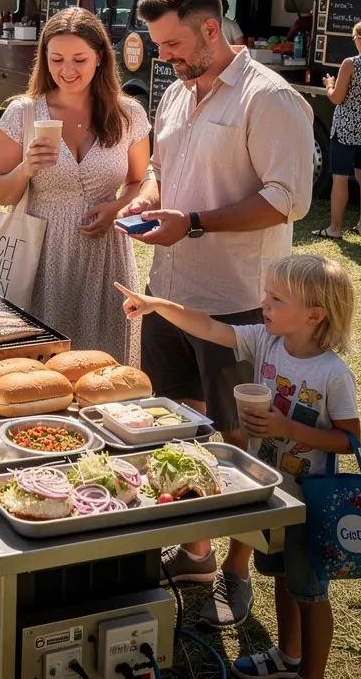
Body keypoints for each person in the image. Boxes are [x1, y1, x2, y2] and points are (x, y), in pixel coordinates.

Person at [117, 0, 313, 628]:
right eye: (158, 45)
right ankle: (197, 552)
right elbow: (164, 174)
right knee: (177, 426)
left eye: (173, 44)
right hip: (169, 290)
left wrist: (195, 223)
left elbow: (288, 199)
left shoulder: (270, 97)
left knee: (239, 440)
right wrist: (148, 203)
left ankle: (237, 572)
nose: (164, 56)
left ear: (211, 29)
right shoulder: (176, 92)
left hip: (240, 305)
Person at [116, 254, 358, 679]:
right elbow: (209, 327)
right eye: (267, 294)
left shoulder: (332, 373)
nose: (264, 304)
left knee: (311, 595)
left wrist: (286, 427)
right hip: (275, 492)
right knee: (281, 575)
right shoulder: (264, 341)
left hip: (310, 501)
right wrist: (157, 306)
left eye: (276, 299)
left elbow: (351, 438)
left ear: (314, 315)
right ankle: (288, 656)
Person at [0, 7, 149, 365]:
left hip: (106, 257)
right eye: (57, 59)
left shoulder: (128, 115)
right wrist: (26, 168)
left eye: (79, 59)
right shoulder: (22, 113)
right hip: (40, 256)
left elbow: (140, 180)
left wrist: (117, 208)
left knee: (104, 368)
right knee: (41, 365)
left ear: (100, 57)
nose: (67, 70)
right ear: (44, 58)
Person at [313, 21, 361, 238]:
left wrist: (329, 84)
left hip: (346, 130)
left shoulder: (350, 64)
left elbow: (337, 98)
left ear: (358, 38)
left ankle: (334, 228)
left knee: (340, 178)